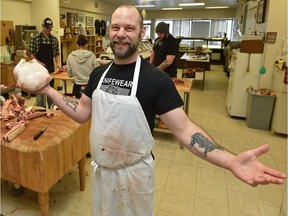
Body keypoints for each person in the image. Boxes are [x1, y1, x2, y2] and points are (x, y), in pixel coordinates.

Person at [20, 5, 286, 216]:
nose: (120, 33)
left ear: (141, 33)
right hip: (102, 174)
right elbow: (82, 112)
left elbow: (185, 130)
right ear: (109, 32)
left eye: (128, 28)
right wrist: (49, 91)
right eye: (115, 27)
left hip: (134, 177)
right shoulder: (98, 74)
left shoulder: (156, 80)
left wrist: (231, 160)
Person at [28, 17, 62, 108]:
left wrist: (58, 64)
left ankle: (52, 110)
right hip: (38, 70)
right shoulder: (36, 38)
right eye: (47, 28)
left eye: (50, 28)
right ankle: (40, 110)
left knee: (50, 90)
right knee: (40, 92)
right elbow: (30, 53)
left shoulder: (54, 39)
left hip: (50, 69)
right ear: (43, 27)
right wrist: (38, 62)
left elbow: (56, 53)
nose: (49, 30)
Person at [66, 34, 99, 99]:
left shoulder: (70, 56)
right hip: (89, 87)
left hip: (76, 87)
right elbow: (97, 71)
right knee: (90, 107)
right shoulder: (92, 56)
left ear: (77, 45)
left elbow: (69, 74)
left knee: (76, 107)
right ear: (86, 45)